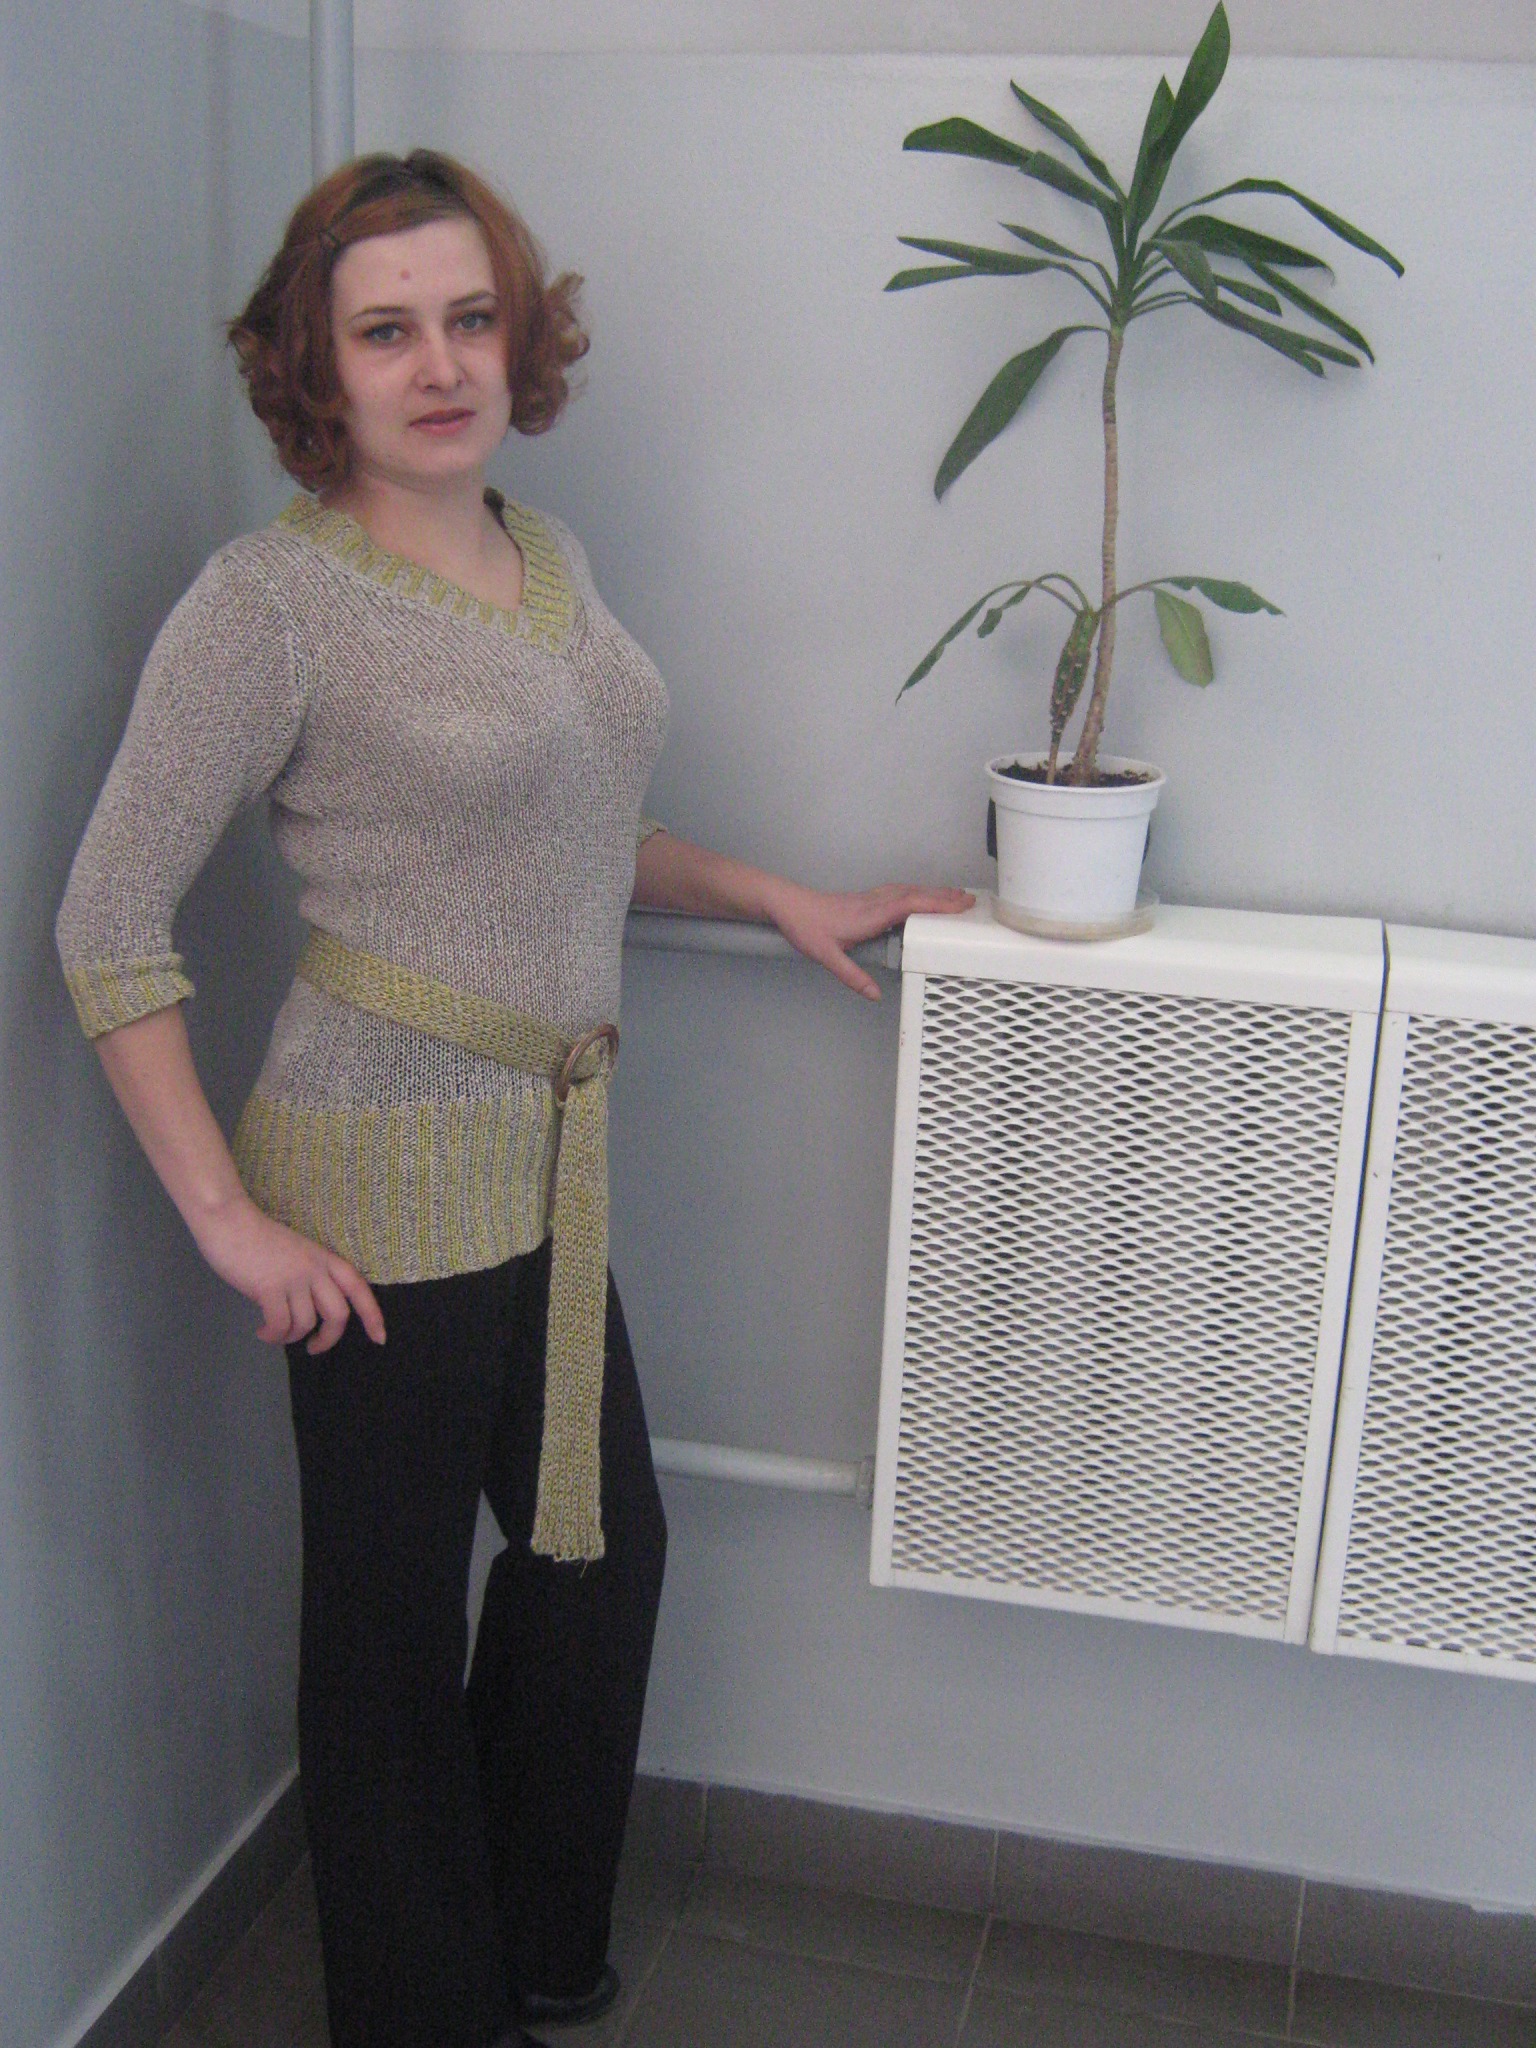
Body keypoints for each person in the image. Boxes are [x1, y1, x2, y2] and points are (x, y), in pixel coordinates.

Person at [55, 149, 971, 2048]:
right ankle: (422, 2014)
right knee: (387, 1636)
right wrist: (230, 1222)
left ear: (518, 333)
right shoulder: (267, 607)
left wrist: (774, 894)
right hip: (372, 1178)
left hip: (551, 1160)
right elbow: (105, 923)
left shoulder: (545, 556)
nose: (440, 363)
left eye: (470, 317)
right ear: (318, 365)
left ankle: (539, 1950)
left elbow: (574, 841)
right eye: (385, 331)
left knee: (595, 1556)